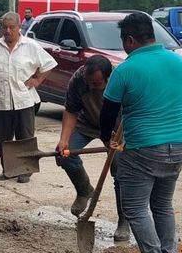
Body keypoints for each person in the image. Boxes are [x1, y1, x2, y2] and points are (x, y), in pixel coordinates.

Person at [98, 12, 182, 253]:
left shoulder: (126, 69)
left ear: (129, 39)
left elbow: (107, 113)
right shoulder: (179, 62)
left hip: (142, 148)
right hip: (178, 144)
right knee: (162, 205)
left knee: (135, 208)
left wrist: (107, 141)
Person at [0, 12, 55, 183]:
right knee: (4, 138)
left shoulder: (31, 46)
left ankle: (25, 170)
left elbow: (49, 64)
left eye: (11, 27)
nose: (7, 31)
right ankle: (9, 170)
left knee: (25, 136)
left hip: (24, 99)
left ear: (18, 27)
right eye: (4, 27)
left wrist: (37, 80)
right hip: (2, 101)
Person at [54, 56, 128, 239]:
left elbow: (132, 112)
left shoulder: (121, 80)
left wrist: (121, 140)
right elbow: (71, 109)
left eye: (96, 83)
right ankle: (84, 190)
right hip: (87, 122)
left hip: (115, 128)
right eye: (89, 82)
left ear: (108, 77)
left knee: (121, 171)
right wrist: (63, 139)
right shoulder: (79, 79)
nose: (92, 86)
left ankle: (124, 221)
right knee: (65, 154)